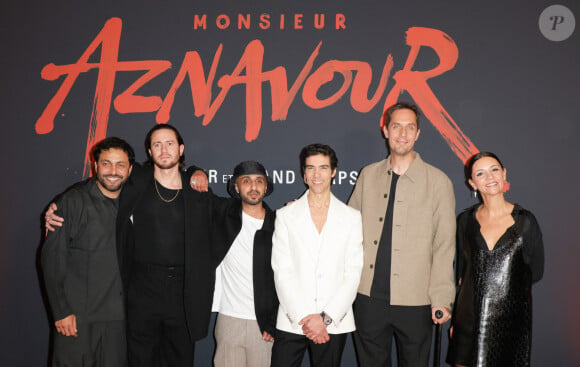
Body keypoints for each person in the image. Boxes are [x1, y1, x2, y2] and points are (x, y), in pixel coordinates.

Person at [349, 102, 456, 367]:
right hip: (368, 299)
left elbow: (444, 246)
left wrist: (441, 298)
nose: (403, 133)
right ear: (385, 130)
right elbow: (346, 227)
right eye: (396, 126)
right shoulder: (368, 175)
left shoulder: (439, 182)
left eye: (410, 127)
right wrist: (309, 207)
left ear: (418, 134)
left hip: (416, 301)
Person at [41, 137, 134, 367]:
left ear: (130, 169)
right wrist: (61, 311)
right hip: (77, 320)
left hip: (119, 323)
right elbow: (51, 259)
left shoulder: (135, 202)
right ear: (95, 165)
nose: (113, 171)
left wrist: (194, 172)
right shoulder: (71, 202)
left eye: (120, 165)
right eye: (106, 163)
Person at [447, 151, 544, 367]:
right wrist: (456, 321)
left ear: (504, 174)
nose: (489, 177)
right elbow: (462, 275)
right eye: (480, 173)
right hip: (468, 320)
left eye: (494, 170)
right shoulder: (465, 221)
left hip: (510, 323)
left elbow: (535, 272)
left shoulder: (526, 222)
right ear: (472, 183)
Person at [270, 143, 363, 367]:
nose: (316, 174)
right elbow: (282, 271)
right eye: (310, 168)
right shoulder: (285, 215)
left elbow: (353, 273)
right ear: (304, 174)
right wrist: (305, 318)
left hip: (332, 322)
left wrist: (324, 319)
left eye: (323, 168)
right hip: (293, 319)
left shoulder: (351, 217)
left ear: (334, 172)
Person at [206, 161, 279, 367]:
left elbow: (287, 278)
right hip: (229, 319)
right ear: (236, 187)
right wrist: (195, 172)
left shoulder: (280, 223)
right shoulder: (223, 213)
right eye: (246, 181)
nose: (253, 187)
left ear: (266, 186)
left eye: (259, 181)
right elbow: (193, 191)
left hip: (264, 324)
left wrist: (273, 321)